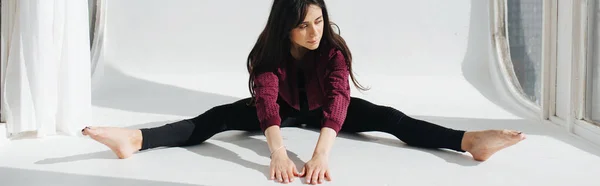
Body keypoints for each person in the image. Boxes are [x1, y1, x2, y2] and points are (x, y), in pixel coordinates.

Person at [82, 0, 526, 184]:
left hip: (321, 114)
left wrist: (321, 154)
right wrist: (276, 151)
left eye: (317, 20)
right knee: (214, 118)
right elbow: (266, 100)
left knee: (391, 119)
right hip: (282, 110)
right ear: (285, 27)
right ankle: (135, 139)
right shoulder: (268, 54)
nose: (313, 31)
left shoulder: (331, 50)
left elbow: (338, 101)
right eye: (302, 25)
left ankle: (470, 143)